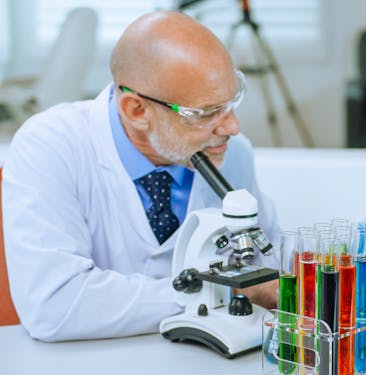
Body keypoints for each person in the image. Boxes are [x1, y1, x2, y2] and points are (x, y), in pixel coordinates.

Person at [2, 11, 280, 342]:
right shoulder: (50, 146)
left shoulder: (232, 153)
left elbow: (268, 271)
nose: (232, 127)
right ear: (137, 111)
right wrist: (218, 293)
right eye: (206, 113)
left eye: (233, 101)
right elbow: (56, 305)